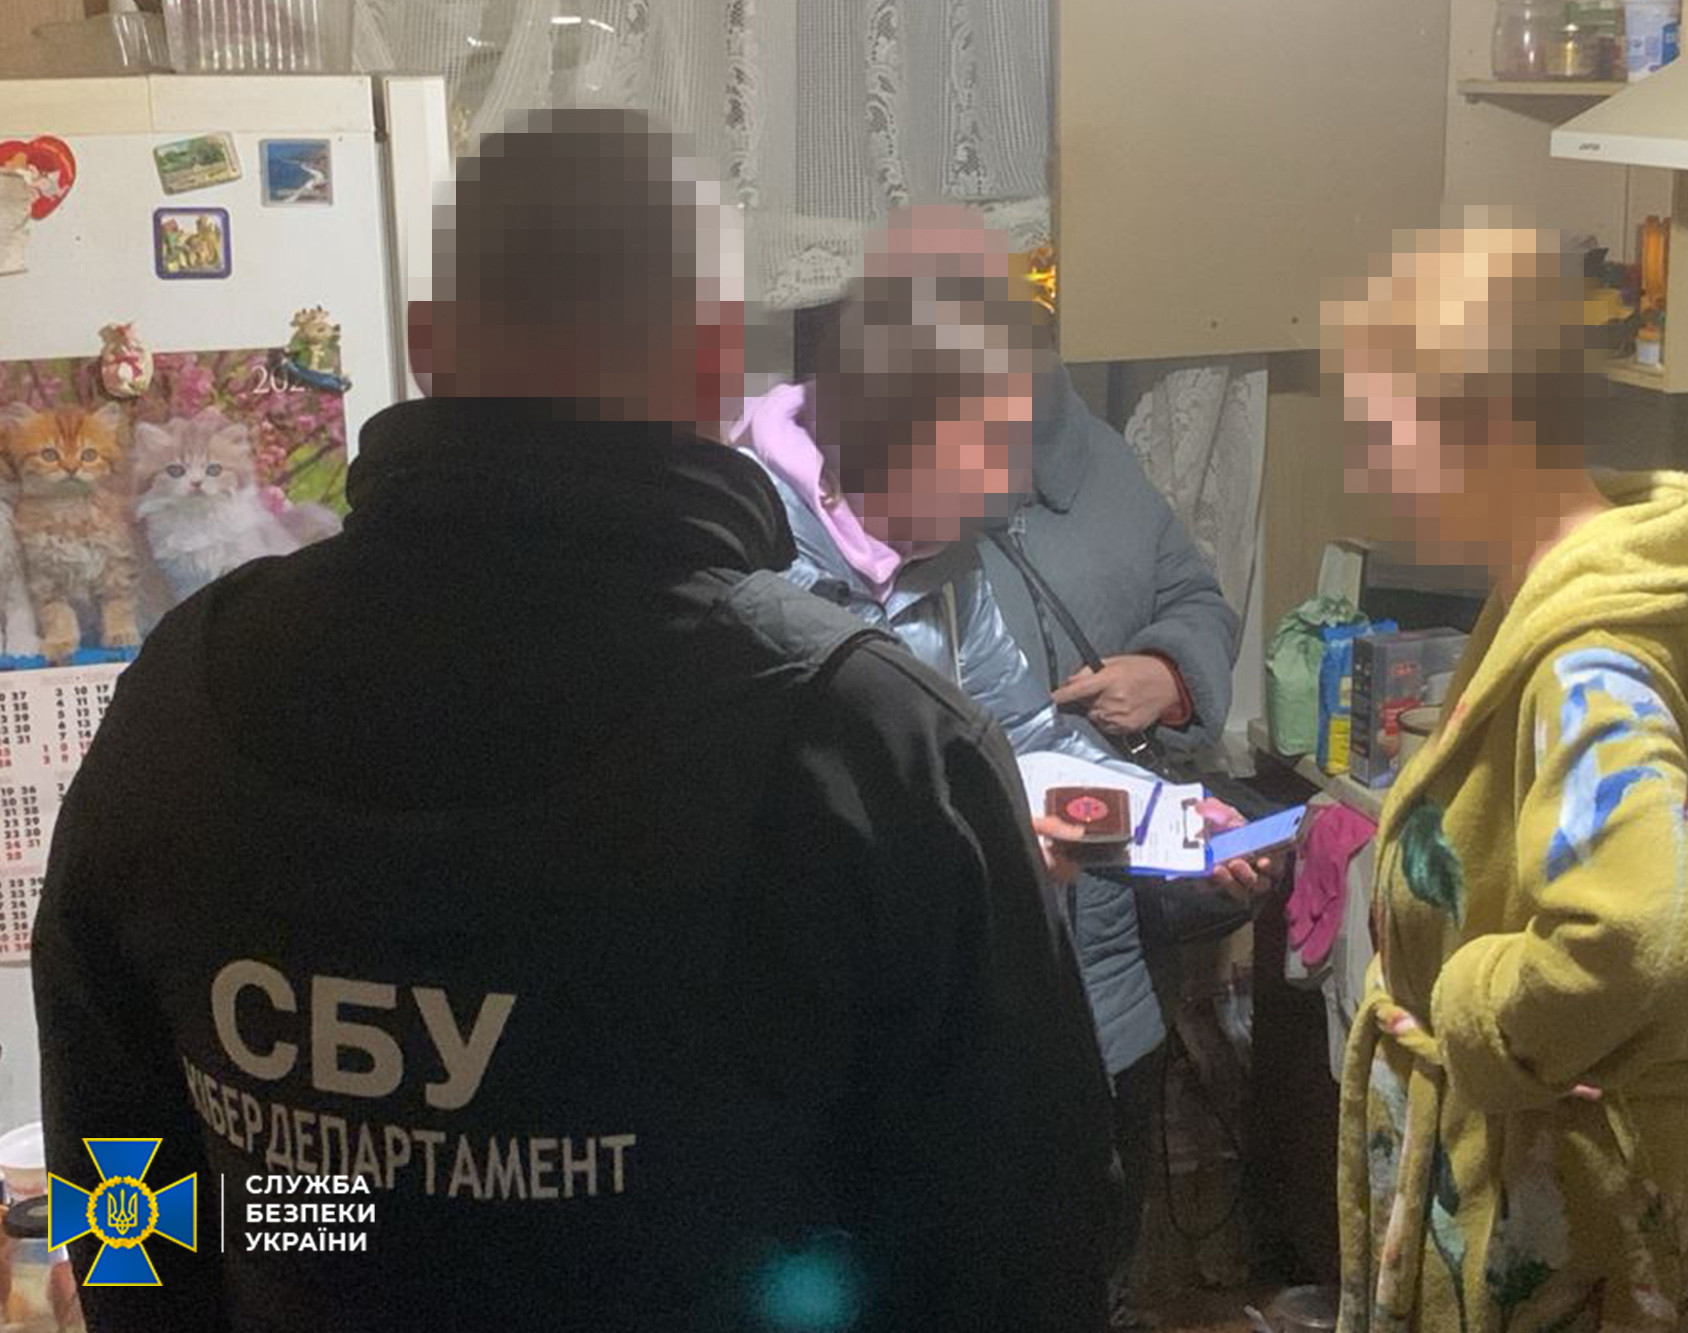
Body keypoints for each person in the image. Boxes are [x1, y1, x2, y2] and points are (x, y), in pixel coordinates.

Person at [33, 110, 1112, 1332]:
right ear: (718, 365)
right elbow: (1021, 1243)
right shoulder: (869, 741)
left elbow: (125, 1181)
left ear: (424, 343)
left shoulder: (184, 689)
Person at [735, 204, 1269, 1327]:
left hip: (977, 1037)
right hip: (828, 1071)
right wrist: (983, 855)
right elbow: (763, 843)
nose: (994, 494)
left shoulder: (947, 559)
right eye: (974, 459)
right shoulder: (752, 560)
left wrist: (1170, 823)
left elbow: (1026, 737)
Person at [1326, 218, 1688, 1329]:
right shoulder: (1585, 581)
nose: (1368, 473)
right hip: (1572, 1168)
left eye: (1380, 434)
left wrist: (1469, 1005)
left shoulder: (1593, 656)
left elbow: (1638, 931)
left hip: (1575, 1196)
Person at [981, 358, 1241, 760]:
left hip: (1115, 785)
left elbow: (1197, 602)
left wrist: (1167, 674)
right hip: (969, 792)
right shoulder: (890, 492)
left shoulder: (1101, 457)